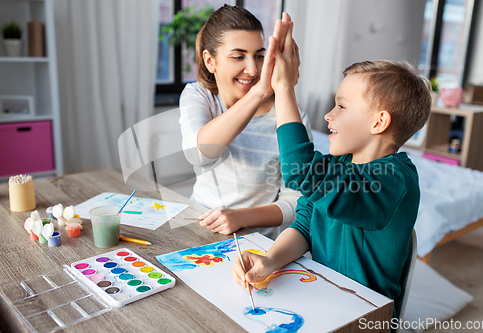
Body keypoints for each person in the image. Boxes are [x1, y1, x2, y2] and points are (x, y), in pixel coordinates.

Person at [231, 14, 431, 320]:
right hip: (323, 296)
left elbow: (300, 171)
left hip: (363, 317)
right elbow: (305, 226)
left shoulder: (393, 181)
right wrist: (269, 260)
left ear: (379, 122)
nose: (328, 115)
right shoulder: (340, 163)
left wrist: (284, 88)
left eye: (341, 106)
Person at [179, 5, 312, 239]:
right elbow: (198, 155)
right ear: (210, 61)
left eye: (260, 56)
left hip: (258, 242)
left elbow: (296, 203)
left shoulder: (291, 116)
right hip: (198, 226)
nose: (252, 69)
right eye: (238, 56)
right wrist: (259, 92)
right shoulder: (200, 96)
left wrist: (241, 217)